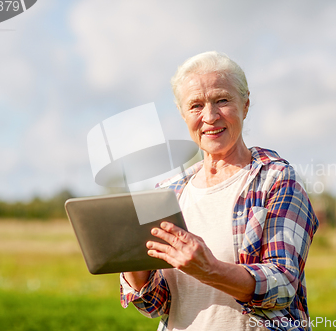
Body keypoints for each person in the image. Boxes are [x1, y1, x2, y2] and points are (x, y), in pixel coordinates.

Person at [120, 51, 319, 331]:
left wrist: (209, 269)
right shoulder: (168, 194)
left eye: (222, 100)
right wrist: (130, 261)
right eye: (196, 106)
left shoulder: (277, 181)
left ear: (245, 105)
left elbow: (283, 285)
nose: (210, 116)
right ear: (182, 113)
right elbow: (157, 304)